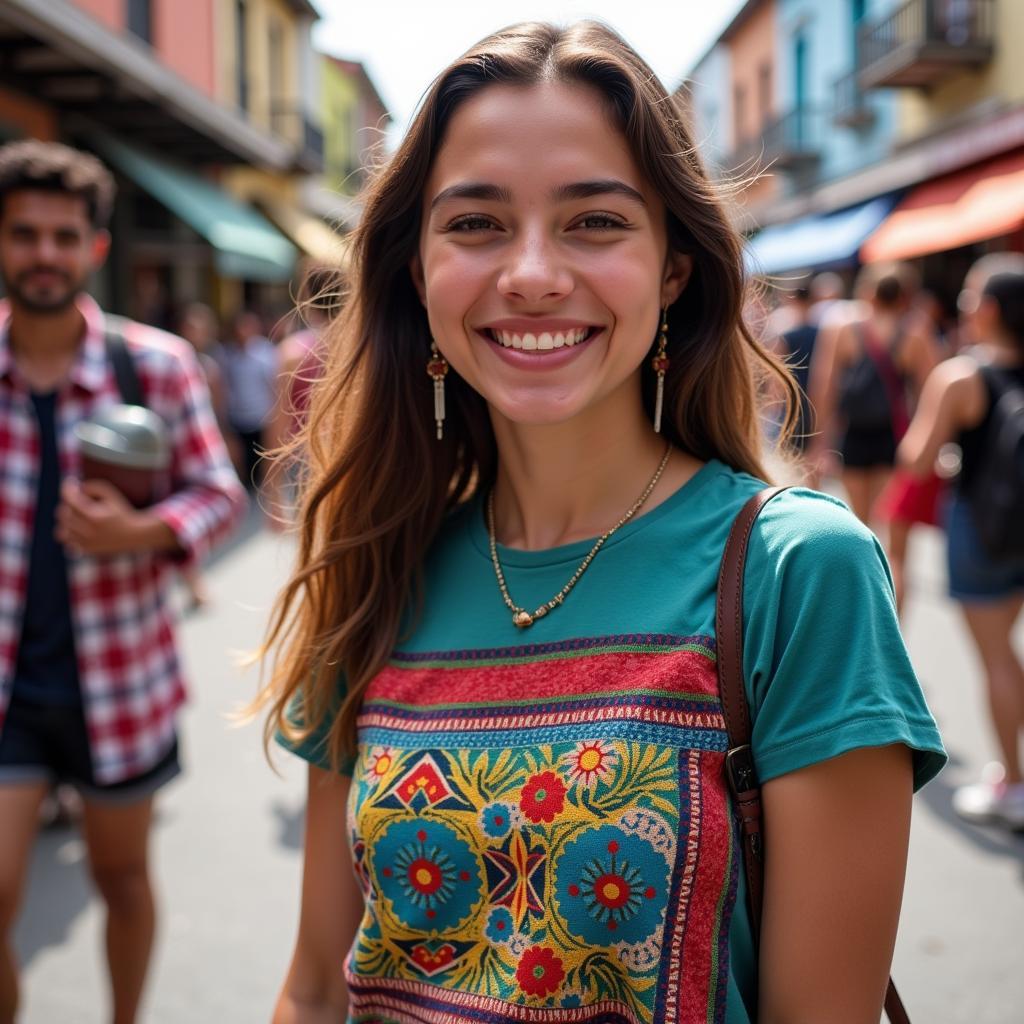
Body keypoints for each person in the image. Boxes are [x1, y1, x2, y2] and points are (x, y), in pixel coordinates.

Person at [257, 23, 945, 1024]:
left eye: (593, 222)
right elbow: (315, 989)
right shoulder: (371, 565)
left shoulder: (797, 572)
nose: (532, 272)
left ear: (672, 267)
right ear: (416, 268)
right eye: (477, 224)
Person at [0, 140, 246, 1024]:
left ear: (95, 248)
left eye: (64, 237)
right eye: (25, 234)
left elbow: (222, 493)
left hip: (120, 684)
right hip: (8, 693)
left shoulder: (158, 365)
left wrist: (142, 531)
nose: (44, 255)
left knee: (121, 878)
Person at [898, 256, 1024, 830]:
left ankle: (1013, 783)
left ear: (991, 310)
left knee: (998, 660)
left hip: (983, 530)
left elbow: (915, 461)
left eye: (971, 299)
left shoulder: (961, 377)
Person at [807, 262, 941, 526]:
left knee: (859, 518)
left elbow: (825, 387)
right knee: (886, 517)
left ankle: (862, 564)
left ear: (869, 292)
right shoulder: (915, 332)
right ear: (905, 294)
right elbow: (931, 389)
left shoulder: (843, 328)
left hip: (853, 432)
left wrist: (819, 442)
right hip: (892, 434)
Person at [217, 309, 277, 492]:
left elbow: (273, 385)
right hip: (237, 416)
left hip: (260, 415)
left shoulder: (266, 353)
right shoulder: (227, 354)